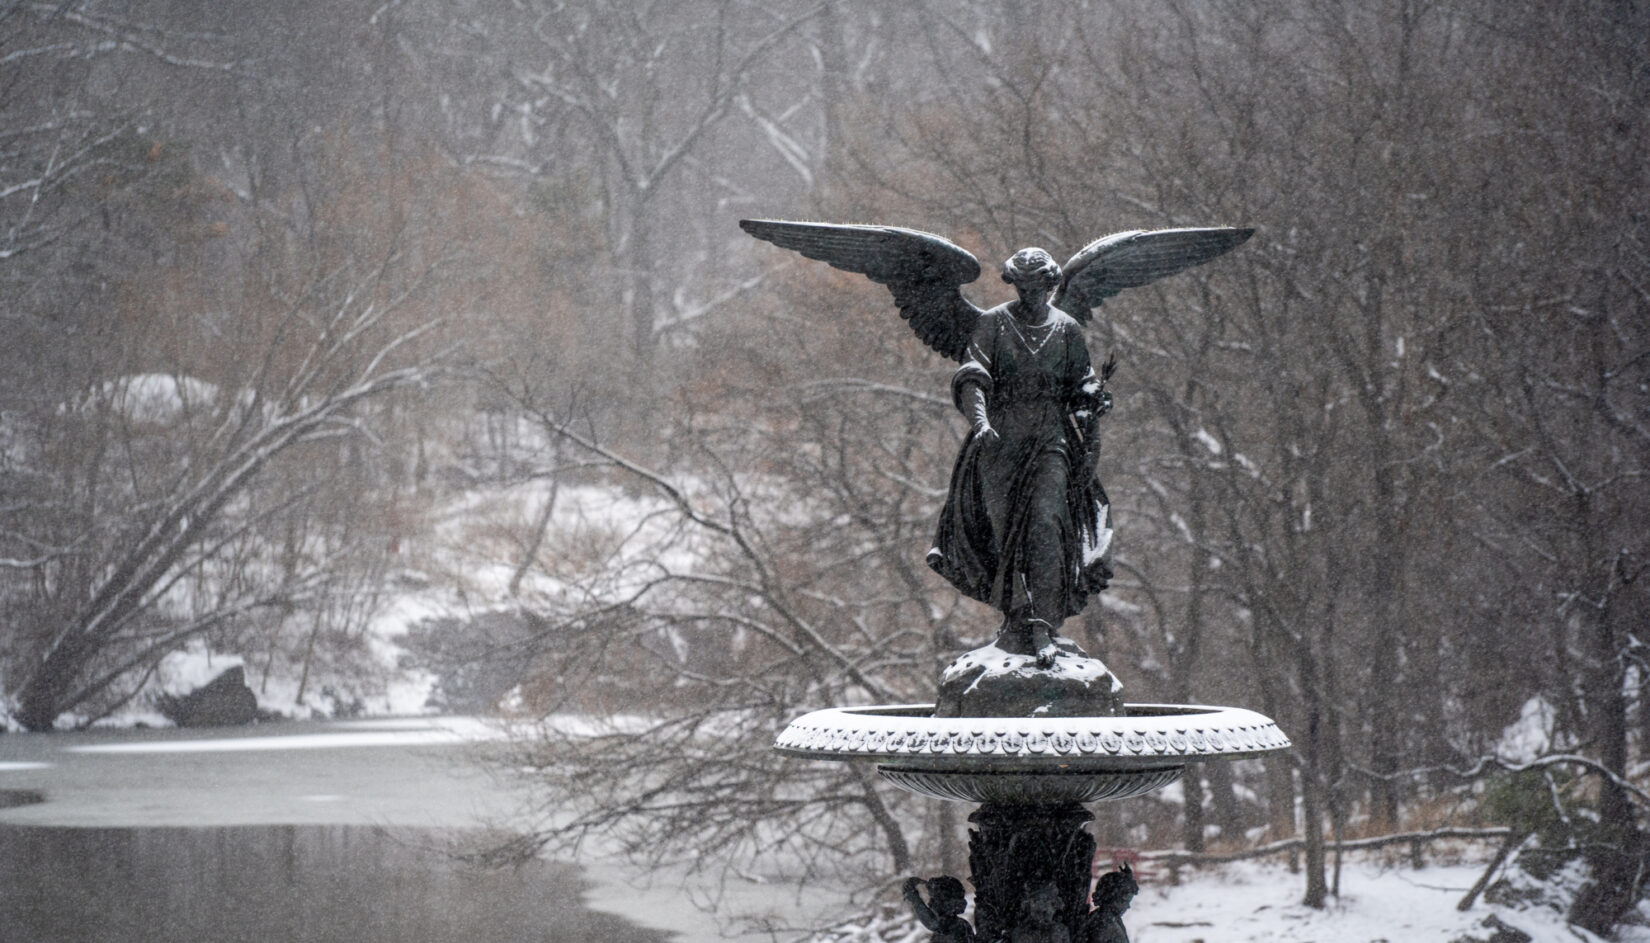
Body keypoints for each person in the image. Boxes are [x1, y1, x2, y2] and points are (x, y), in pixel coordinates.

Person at [926, 248, 1114, 667]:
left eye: (1042, 287)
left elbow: (1079, 385)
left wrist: (1093, 400)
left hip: (1051, 439)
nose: (1034, 295)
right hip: (1000, 441)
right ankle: (1017, 621)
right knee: (1003, 533)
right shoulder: (993, 323)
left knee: (1047, 523)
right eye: (1025, 287)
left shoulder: (1065, 329)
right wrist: (980, 420)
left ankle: (1043, 624)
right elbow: (972, 376)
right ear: (1016, 284)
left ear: (1051, 285)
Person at [903, 876, 976, 943]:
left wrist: (915, 899)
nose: (930, 903)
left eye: (934, 899)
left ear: (947, 902)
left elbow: (932, 923)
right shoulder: (961, 925)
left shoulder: (953, 927)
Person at [1080, 866, 1139, 943]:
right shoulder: (1103, 924)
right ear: (1111, 898)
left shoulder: (1110, 920)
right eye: (1124, 901)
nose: (1128, 906)